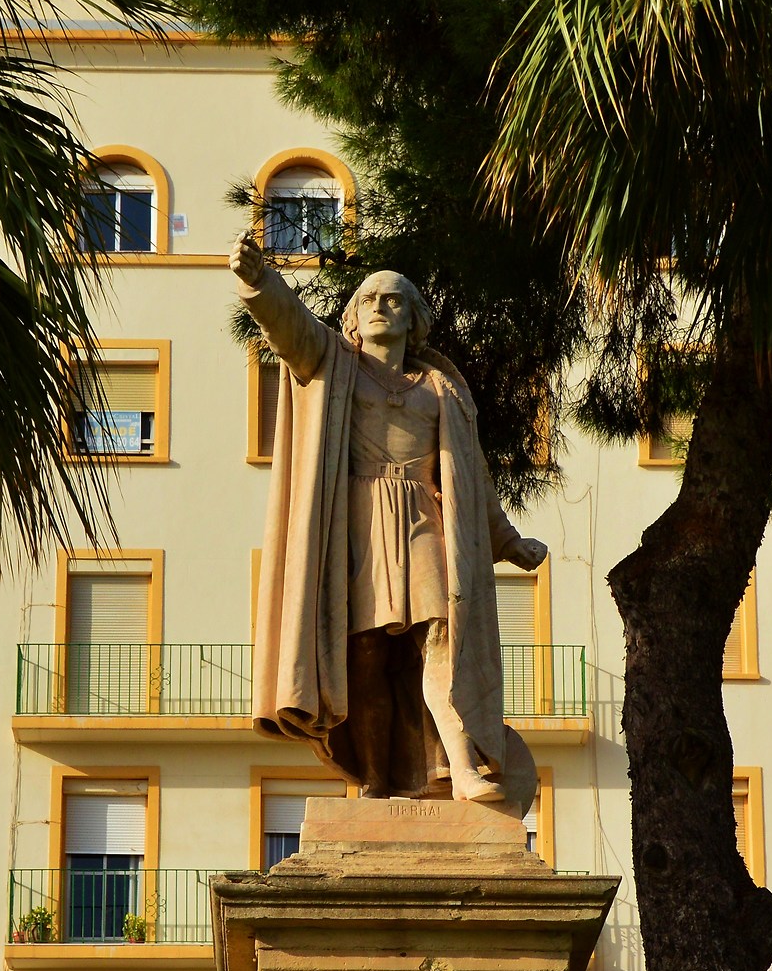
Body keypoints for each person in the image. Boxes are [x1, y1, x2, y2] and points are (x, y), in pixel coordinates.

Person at [234, 232, 548, 810]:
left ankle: (460, 768)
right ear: (353, 316)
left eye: (396, 299)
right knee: (369, 655)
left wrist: (506, 540)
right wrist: (260, 283)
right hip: (353, 525)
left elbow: (470, 478)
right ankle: (376, 778)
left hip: (424, 521)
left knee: (442, 640)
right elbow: (291, 327)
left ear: (415, 320)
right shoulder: (333, 362)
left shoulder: (442, 388)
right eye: (371, 297)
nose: (383, 305)